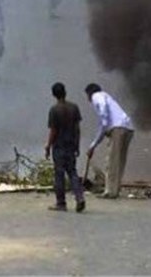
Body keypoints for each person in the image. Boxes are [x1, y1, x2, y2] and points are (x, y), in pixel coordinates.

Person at [84, 83, 134, 199]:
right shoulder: (107, 96)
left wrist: (93, 145)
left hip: (117, 128)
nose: (88, 99)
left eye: (87, 96)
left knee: (112, 161)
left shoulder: (97, 96)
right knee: (119, 161)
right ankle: (115, 190)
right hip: (128, 128)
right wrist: (94, 145)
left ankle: (110, 192)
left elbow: (104, 121)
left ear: (89, 93)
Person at [45, 82, 85, 213]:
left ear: (53, 95)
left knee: (59, 174)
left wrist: (48, 146)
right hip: (71, 145)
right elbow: (77, 129)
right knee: (73, 172)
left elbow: (53, 131)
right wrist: (77, 145)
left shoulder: (54, 110)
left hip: (59, 147)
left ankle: (61, 203)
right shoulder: (74, 108)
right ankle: (79, 198)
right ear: (65, 92)